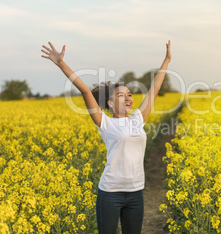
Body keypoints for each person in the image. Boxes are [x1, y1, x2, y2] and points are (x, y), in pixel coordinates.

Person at [41, 40, 172, 233]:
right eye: (121, 96)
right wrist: (61, 63)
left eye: (129, 94)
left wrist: (166, 61)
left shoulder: (137, 119)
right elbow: (85, 90)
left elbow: (154, 90)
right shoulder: (105, 123)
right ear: (110, 103)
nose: (128, 98)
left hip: (136, 192)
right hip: (110, 192)